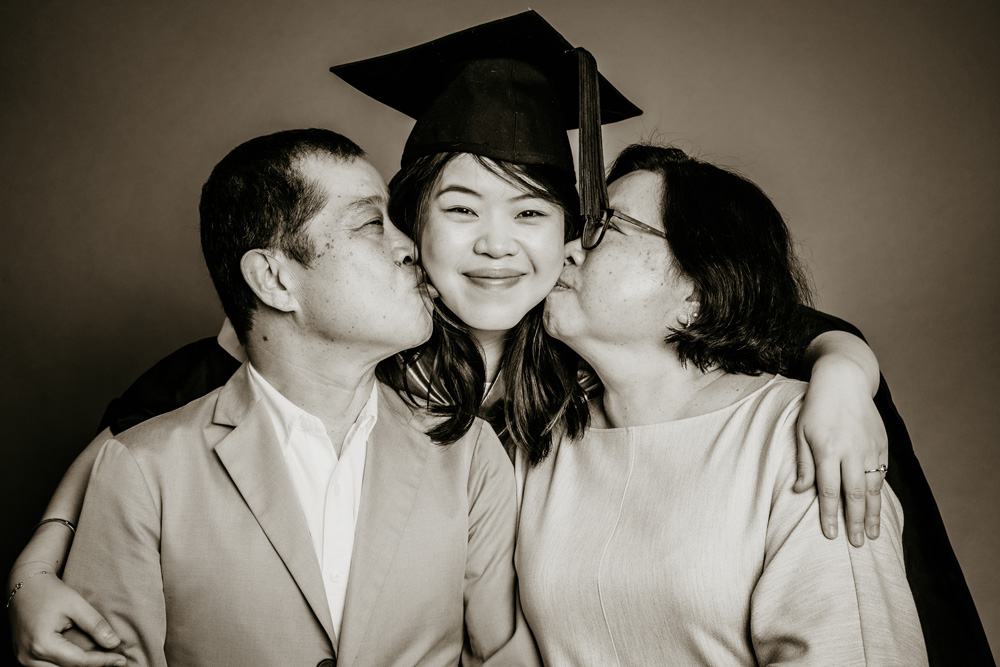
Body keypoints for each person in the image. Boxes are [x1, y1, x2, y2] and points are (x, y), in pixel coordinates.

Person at [8, 11, 991, 667]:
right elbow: (151, 431)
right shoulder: (355, 353)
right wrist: (35, 569)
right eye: (459, 209)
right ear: (407, 229)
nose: (494, 248)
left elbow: (764, 325)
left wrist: (843, 371)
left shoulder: (586, 364)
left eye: (533, 214)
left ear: (572, 234)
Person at [47, 129, 538, 667]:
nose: (408, 246)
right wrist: (28, 577)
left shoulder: (468, 453)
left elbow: (501, 653)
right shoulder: (143, 469)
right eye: (373, 223)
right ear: (274, 279)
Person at [516, 143, 928, 665]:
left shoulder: (802, 439)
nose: (569, 248)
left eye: (609, 227)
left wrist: (845, 366)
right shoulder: (545, 438)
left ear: (696, 291)